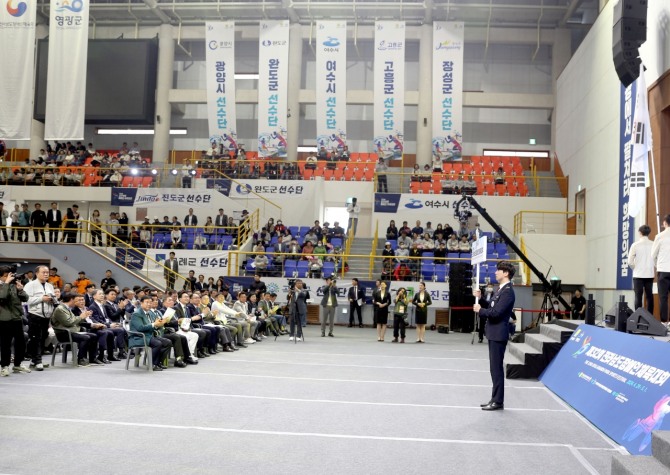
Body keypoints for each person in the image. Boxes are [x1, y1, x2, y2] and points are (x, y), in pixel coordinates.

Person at [473, 261, 516, 411]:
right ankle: (494, 398)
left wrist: (480, 310)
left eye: (499, 270)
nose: (496, 272)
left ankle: (498, 401)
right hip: (493, 333)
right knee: (494, 368)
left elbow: (496, 314)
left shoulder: (508, 292)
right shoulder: (501, 290)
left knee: (496, 369)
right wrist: (482, 298)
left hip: (498, 334)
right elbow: (492, 306)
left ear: (506, 273)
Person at [24, 265, 57, 370]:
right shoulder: (30, 285)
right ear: (37, 273)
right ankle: (38, 361)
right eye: (44, 272)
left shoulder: (50, 286)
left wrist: (53, 300)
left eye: (47, 272)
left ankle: (35, 360)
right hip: (35, 315)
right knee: (36, 338)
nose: (46, 274)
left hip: (46, 316)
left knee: (43, 337)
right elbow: (26, 300)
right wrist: (41, 298)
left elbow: (54, 300)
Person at [0, 266, 31, 376]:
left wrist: (20, 289)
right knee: (6, 344)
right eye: (6, 276)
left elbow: (26, 298)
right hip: (4, 319)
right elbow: (2, 297)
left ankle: (17, 365)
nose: (9, 277)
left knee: (21, 343)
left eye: (10, 275)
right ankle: (4, 366)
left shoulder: (13, 285)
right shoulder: (4, 285)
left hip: (17, 318)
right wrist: (6, 284)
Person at [129, 296, 172, 371]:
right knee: (157, 343)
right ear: (141, 303)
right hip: (138, 337)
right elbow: (140, 328)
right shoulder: (136, 314)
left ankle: (158, 362)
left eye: (150, 302)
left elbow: (153, 326)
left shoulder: (149, 313)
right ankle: (152, 364)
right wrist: (154, 324)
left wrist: (159, 324)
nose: (149, 304)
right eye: (147, 302)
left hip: (149, 335)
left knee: (168, 342)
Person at [628, 224, 655, 313]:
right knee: (649, 296)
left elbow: (630, 261)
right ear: (649, 233)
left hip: (638, 274)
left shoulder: (635, 245)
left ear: (640, 233)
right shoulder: (653, 244)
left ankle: (638, 317)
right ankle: (650, 317)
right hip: (649, 274)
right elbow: (656, 258)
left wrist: (635, 268)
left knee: (638, 297)